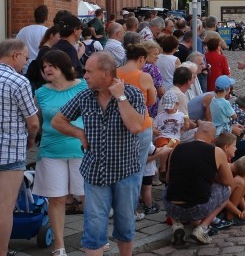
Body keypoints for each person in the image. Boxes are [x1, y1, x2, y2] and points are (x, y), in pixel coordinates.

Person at [51, 52, 146, 256]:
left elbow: (136, 126)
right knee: (93, 230)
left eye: (89, 71)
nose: (84, 75)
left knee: (125, 225)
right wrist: (79, 133)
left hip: (125, 172)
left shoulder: (132, 93)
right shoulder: (85, 96)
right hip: (94, 172)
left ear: (106, 73)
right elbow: (58, 121)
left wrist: (120, 97)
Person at [32, 50, 88, 256]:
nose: (46, 69)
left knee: (86, 196)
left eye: (51, 65)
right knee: (56, 199)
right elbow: (37, 121)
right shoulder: (41, 92)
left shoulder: (83, 86)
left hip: (80, 149)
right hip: (50, 151)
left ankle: (92, 238)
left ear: (63, 66)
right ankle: (59, 245)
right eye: (44, 66)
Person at [0, 39, 40, 256]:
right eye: (25, 57)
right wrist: (31, 138)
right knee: (5, 207)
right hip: (9, 149)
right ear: (15, 55)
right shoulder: (19, 81)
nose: (26, 62)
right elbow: (33, 122)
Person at [164, 121, 234, 245]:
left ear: (195, 133)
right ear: (213, 138)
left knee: (168, 188)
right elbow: (228, 181)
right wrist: (212, 176)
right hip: (198, 209)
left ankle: (177, 225)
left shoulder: (177, 148)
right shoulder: (216, 151)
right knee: (226, 189)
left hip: (172, 207)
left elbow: (168, 179)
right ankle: (202, 228)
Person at [115, 44, 157, 222]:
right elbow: (152, 100)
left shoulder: (115, 73)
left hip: (118, 125)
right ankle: (129, 211)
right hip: (141, 125)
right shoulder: (144, 76)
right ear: (141, 58)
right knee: (136, 170)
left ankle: (115, 206)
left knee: (118, 168)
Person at [25, 25, 61, 92]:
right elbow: (42, 69)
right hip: (43, 84)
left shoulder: (44, 49)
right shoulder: (46, 51)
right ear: (51, 36)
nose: (60, 39)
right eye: (59, 36)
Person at [15, 4, 49, 73]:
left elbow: (15, 47)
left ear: (34, 17)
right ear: (46, 18)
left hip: (25, 67)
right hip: (41, 69)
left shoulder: (23, 31)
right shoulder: (47, 32)